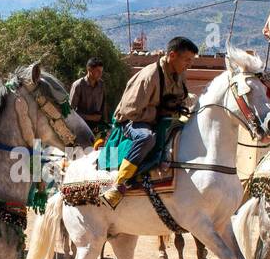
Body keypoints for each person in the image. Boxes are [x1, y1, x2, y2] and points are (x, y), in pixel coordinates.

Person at [99, 37, 195, 209]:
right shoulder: (149, 76)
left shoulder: (179, 75)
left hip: (162, 119)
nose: (189, 64)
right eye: (187, 60)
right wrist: (161, 113)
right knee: (147, 138)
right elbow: (130, 111)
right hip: (133, 122)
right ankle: (119, 184)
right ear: (172, 55)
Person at [70, 58, 107, 134]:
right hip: (81, 126)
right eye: (98, 71)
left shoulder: (101, 84)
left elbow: (103, 105)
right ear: (89, 69)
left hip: (98, 126)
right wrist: (91, 118)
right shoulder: (78, 85)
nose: (100, 74)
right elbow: (71, 111)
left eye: (101, 71)